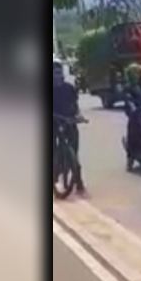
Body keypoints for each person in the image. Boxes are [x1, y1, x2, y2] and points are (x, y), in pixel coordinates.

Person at [52, 59, 87, 195]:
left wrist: (78, 115)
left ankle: (78, 182)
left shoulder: (69, 88)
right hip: (54, 121)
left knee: (74, 153)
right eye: (55, 73)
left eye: (59, 72)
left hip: (69, 121)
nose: (57, 75)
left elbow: (75, 105)